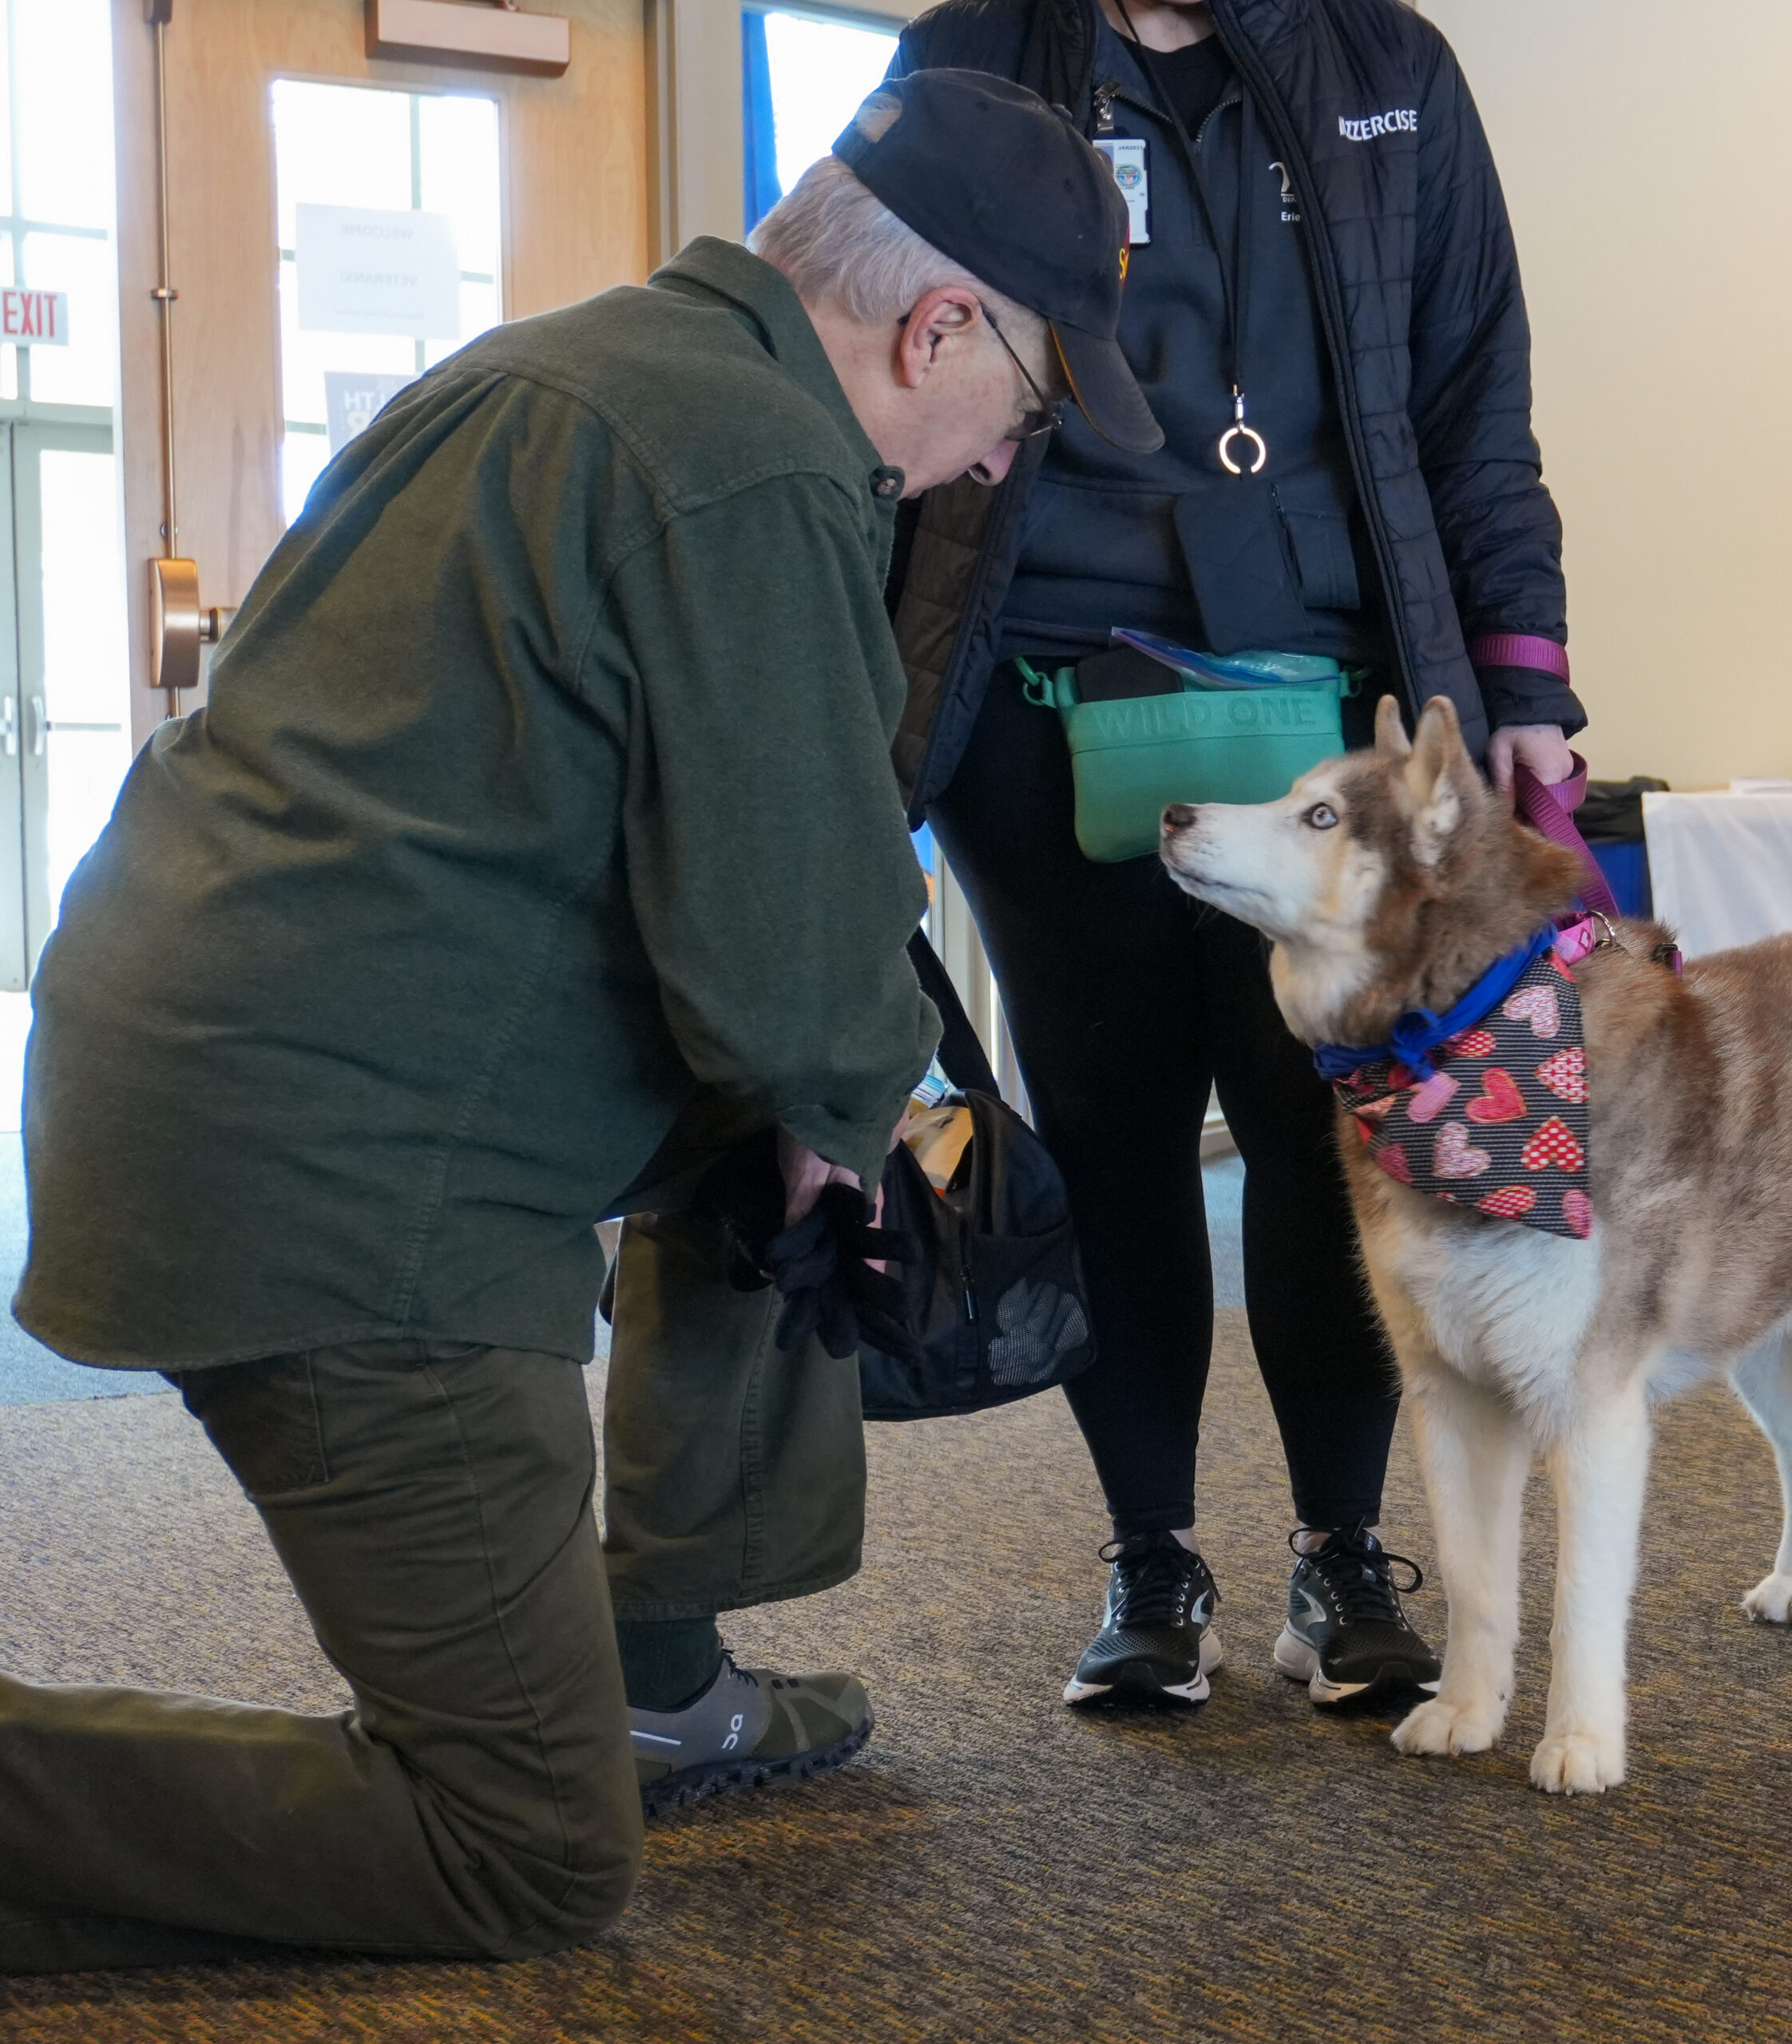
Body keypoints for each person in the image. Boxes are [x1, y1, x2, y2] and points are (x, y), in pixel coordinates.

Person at [0, 70, 1156, 1975]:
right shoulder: (767, 462)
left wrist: (809, 1106)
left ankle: (653, 1666)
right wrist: (867, 1112)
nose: (986, 467)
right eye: (1022, 414)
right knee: (524, 1853)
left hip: (191, 1054)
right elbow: (795, 949)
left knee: (773, 1153)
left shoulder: (559, 368)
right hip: (336, 1183)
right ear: (936, 325)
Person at [886, 0, 1587, 1710]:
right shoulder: (971, 46)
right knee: (1110, 1122)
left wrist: (1519, 679)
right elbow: (877, 359)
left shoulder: (1387, 69)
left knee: (1320, 1132)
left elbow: (1468, 394)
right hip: (1036, 694)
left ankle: (1342, 1552)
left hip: (1329, 705)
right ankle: (1149, 1554)